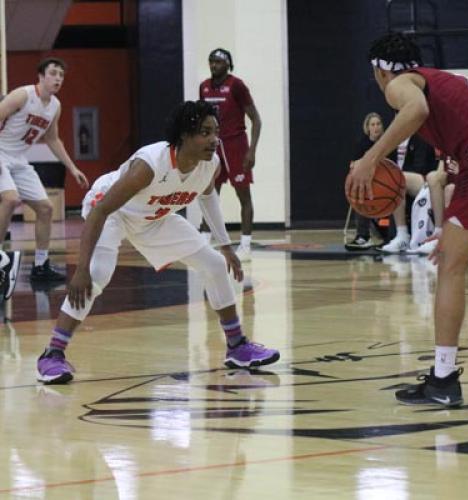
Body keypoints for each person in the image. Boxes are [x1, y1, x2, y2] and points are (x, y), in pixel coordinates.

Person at [36, 100, 279, 385]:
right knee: (97, 274)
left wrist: (226, 246)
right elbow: (101, 211)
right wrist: (81, 269)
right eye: (205, 132)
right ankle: (52, 354)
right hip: (112, 211)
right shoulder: (150, 165)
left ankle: (237, 347)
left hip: (153, 217)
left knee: (213, 264)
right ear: (184, 135)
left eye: (216, 132)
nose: (214, 139)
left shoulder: (209, 165)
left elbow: (208, 196)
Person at [346, 32, 468, 406]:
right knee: (452, 255)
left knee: (450, 267)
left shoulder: (400, 84)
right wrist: (453, 225)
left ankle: (443, 380)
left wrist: (371, 159)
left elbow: (416, 111)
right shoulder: (444, 82)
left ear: (379, 70)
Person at [0, 57, 89, 283]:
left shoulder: (55, 106)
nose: (58, 78)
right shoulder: (23, 95)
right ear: (40, 76)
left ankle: (40, 266)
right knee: (10, 200)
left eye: (61, 75)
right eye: (53, 73)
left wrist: (72, 167)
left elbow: (53, 139)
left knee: (46, 208)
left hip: (18, 159)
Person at [199, 48, 262, 261]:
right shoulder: (204, 87)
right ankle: (204, 241)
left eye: (217, 62)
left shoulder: (237, 85)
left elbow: (256, 119)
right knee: (208, 193)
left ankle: (245, 245)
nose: (213, 65)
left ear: (227, 64)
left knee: (243, 195)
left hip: (236, 146)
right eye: (211, 62)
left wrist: (251, 151)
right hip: (212, 146)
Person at [346, 112, 397, 250]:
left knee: (393, 195)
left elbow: (393, 166)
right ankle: (363, 236)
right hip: (369, 183)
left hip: (386, 183)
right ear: (368, 128)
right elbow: (353, 165)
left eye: (378, 124)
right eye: (373, 124)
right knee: (360, 192)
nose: (376, 127)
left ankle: (391, 237)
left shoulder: (388, 142)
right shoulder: (362, 144)